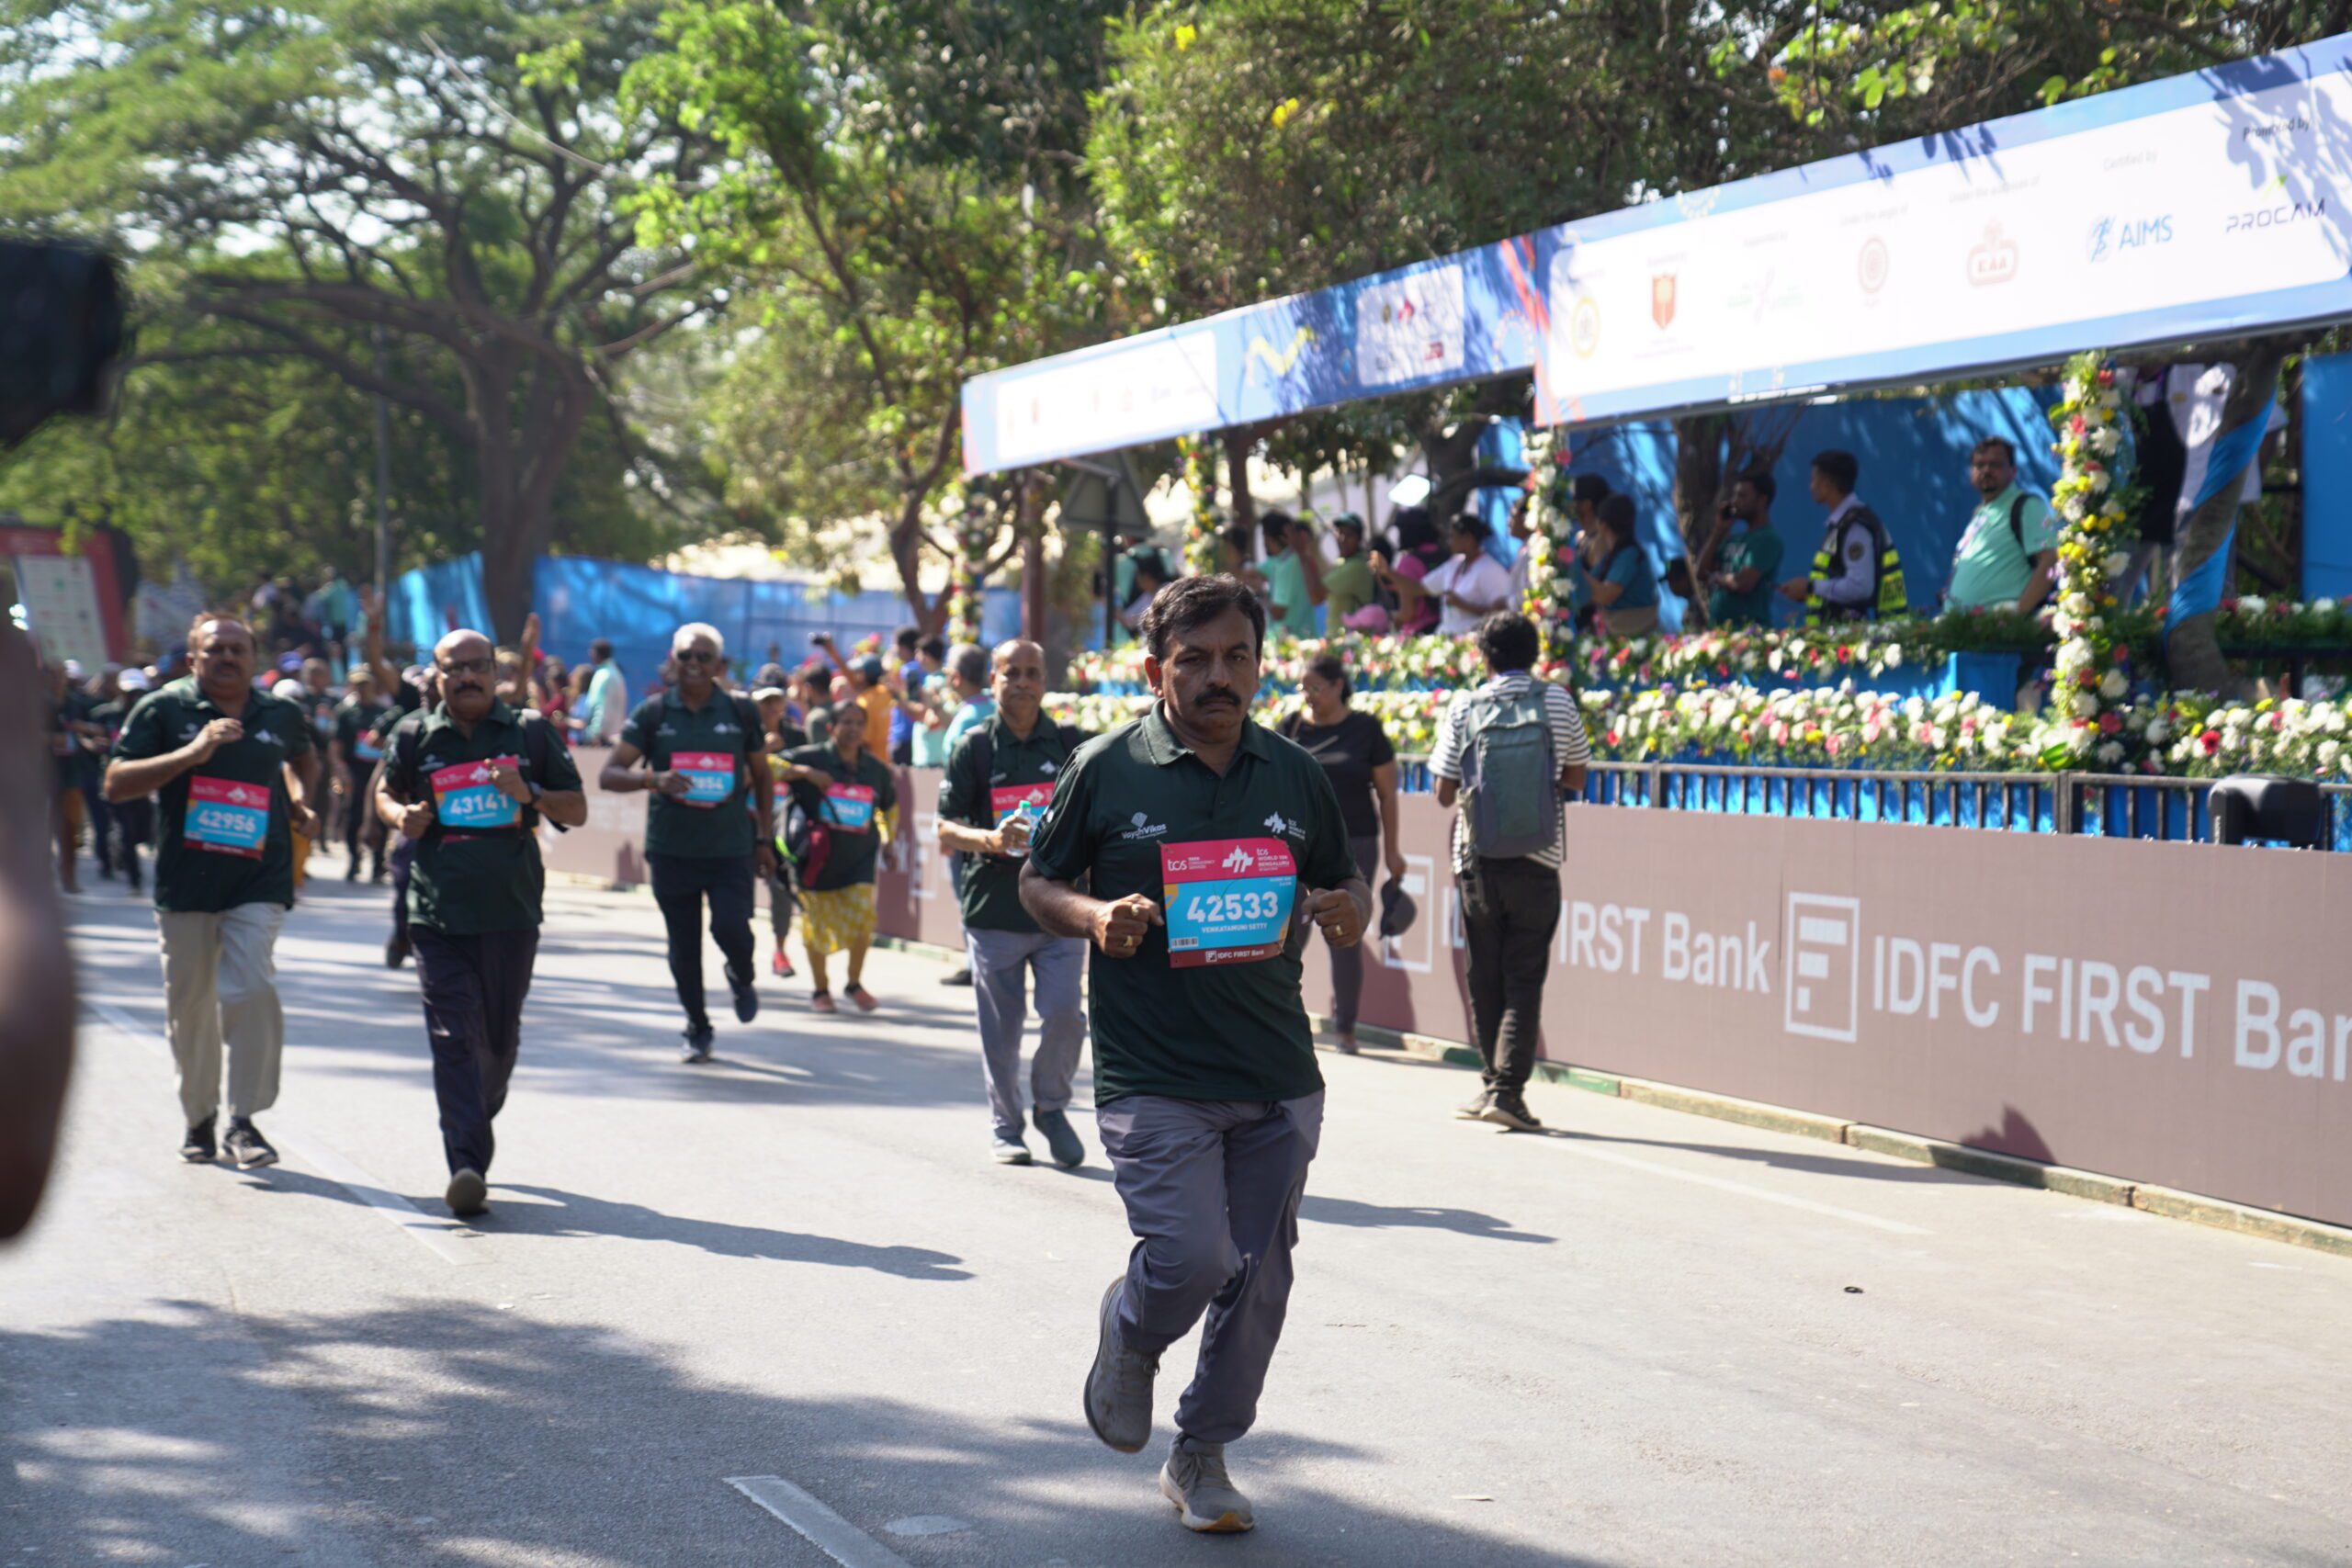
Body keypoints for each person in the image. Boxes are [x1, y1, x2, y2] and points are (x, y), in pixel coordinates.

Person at [1020, 575, 1368, 1537]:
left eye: (1237, 657)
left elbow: (1342, 878)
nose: (1220, 677)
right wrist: (1095, 915)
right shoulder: (1105, 767)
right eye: (1195, 659)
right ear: (1154, 670)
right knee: (1190, 1257)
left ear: (1259, 663)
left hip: (1276, 1073)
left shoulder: (1294, 773)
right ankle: (1131, 1326)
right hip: (1154, 1072)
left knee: (1258, 1274)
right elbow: (1039, 881)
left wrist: (1348, 907)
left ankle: (1202, 1451)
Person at [377, 629, 586, 1216]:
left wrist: (530, 792)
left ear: (495, 672)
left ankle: (477, 1108)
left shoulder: (530, 732)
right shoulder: (415, 734)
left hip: (511, 913)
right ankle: (467, 1164)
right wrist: (401, 815)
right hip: (437, 912)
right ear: (437, 676)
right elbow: (385, 793)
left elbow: (576, 808)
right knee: (451, 1038)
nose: (467, 677)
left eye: (477, 666)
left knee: (498, 1039)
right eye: (454, 668)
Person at [105, 612, 322, 1169]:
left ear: (254, 657)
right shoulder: (163, 708)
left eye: (237, 649)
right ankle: (199, 1118)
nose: (227, 658)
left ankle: (244, 1121)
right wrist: (193, 752)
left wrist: (299, 799)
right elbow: (116, 783)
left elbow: (302, 757)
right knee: (191, 1007)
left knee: (251, 987)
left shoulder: (280, 712)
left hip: (259, 876)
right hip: (187, 883)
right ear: (193, 659)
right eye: (215, 650)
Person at [1429, 611, 1591, 1134]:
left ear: (1485, 657)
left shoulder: (1465, 705)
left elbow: (1442, 792)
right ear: (1534, 654)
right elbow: (1577, 776)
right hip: (1539, 861)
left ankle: (1493, 1084)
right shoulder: (1557, 702)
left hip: (1477, 861)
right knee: (1524, 978)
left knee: (1484, 976)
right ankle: (1506, 1091)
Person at [936, 639, 1092, 1167]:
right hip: (994, 912)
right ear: (994, 680)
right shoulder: (975, 747)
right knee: (1001, 1033)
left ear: (1045, 681)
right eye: (1012, 673)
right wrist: (991, 839)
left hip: (1060, 911)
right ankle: (1007, 1126)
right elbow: (944, 826)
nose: (1023, 682)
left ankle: (1051, 1106)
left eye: (1032, 672)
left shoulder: (1071, 744)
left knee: (1066, 1016)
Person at [601, 623, 774, 1063]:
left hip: (730, 848)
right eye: (685, 656)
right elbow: (609, 774)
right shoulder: (654, 713)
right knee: (684, 946)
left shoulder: (740, 711)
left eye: (703, 657)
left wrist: (765, 838)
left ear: (720, 664)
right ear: (673, 661)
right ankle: (697, 1026)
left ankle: (741, 972)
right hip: (672, 850)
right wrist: (653, 779)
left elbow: (763, 775)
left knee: (732, 928)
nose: (694, 664)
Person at [1277, 654, 1406, 1055]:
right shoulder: (1290, 727)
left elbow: (1387, 795)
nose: (1308, 695)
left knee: (1343, 932)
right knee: (1288, 935)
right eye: (1303, 687)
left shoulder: (1366, 729)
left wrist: (1394, 851)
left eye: (1315, 687)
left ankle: (1346, 1029)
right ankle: (1278, 1018)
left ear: (1338, 686)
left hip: (1355, 845)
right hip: (1295, 847)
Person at [777, 689, 898, 1015]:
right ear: (831, 727)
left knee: (864, 919)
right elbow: (768, 765)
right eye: (846, 722)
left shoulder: (875, 769)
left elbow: (888, 808)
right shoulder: (812, 757)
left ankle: (854, 983)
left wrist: (888, 840)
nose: (853, 728)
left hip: (859, 859)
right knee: (814, 927)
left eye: (859, 723)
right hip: (815, 860)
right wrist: (806, 774)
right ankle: (820, 990)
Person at [1780, 449, 1907, 624]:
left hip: (1850, 632)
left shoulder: (1855, 525)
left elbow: (1861, 586)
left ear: (1827, 483)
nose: (1811, 487)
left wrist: (1810, 587)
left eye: (1813, 480)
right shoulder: (1841, 523)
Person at [1946, 436, 2059, 613]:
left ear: (2013, 471)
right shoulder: (1980, 513)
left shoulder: (2026, 506)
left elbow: (2050, 561)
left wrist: (2018, 612)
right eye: (1979, 465)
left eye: (1995, 464)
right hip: (1960, 625)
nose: (1986, 470)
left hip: (2000, 627)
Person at [752, 686, 807, 980]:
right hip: (746, 822)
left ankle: (780, 950)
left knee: (781, 887)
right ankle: (739, 952)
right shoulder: (744, 732)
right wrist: (763, 751)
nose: (772, 707)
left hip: (783, 825)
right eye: (766, 701)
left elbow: (808, 772)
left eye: (777, 700)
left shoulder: (797, 736)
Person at [92, 668, 156, 893]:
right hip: (115, 782)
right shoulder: (105, 715)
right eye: (131, 693)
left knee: (143, 831)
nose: (135, 697)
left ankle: (118, 851)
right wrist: (95, 746)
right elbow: (90, 740)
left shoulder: (151, 716)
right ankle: (134, 879)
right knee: (126, 830)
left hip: (142, 782)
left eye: (139, 692)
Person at [1697, 471, 1786, 630]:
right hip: (1718, 630)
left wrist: (1718, 578)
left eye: (1742, 496)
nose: (1734, 502)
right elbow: (1702, 572)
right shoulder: (1734, 539)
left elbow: (1743, 583)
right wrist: (1718, 531)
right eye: (1734, 495)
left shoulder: (1767, 539)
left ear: (1761, 501)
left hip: (1748, 633)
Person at [331, 666, 392, 882]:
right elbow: (336, 745)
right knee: (354, 815)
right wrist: (340, 771)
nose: (362, 688)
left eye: (365, 683)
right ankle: (354, 860)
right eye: (357, 684)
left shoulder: (384, 713)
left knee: (380, 815)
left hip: (378, 770)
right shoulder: (346, 713)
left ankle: (377, 863)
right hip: (354, 771)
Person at [1425, 513, 1512, 637]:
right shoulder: (1454, 563)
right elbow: (1418, 587)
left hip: (1474, 639)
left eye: (1452, 536)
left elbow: (1502, 613)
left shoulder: (1490, 569)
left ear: (1468, 538)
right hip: (1447, 636)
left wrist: (1463, 605)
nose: (1449, 542)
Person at [1586, 494, 1660, 637]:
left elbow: (1605, 595)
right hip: (1622, 634)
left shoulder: (1629, 555)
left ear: (1603, 525)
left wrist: (1575, 567)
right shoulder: (1611, 556)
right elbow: (1587, 591)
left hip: (1639, 636)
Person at [1369, 506, 1445, 637]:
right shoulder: (1445, 554)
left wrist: (1392, 620)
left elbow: (1408, 613)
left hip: (1420, 633)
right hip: (1446, 627)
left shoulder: (1409, 562)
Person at [1258, 510, 1325, 640]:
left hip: (1292, 642)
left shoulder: (1287, 564)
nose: (1264, 542)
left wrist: (1261, 595)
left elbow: (1278, 612)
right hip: (1306, 637)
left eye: (1265, 536)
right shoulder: (1294, 560)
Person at [1320, 514, 1377, 626]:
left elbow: (1316, 594)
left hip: (1351, 636)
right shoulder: (1342, 562)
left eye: (1349, 535)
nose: (1343, 539)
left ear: (1359, 538)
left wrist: (1304, 554)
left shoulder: (1356, 566)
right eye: (1340, 533)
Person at [571, 637, 628, 745]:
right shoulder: (615, 673)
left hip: (601, 738)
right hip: (612, 735)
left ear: (596, 653)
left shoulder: (603, 675)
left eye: (591, 651)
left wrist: (595, 733)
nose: (589, 654)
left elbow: (600, 706)